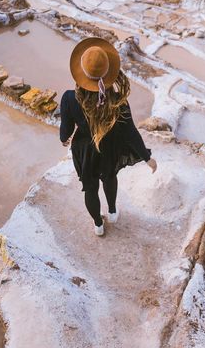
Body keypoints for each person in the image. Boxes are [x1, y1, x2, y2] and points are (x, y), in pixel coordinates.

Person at [60, 37, 157, 237]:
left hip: (85, 150)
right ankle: (112, 212)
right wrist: (147, 157)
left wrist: (65, 139)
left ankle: (98, 225)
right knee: (109, 177)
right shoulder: (118, 102)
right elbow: (131, 132)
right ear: (109, 71)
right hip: (109, 147)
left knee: (90, 188)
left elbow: (65, 133)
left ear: (80, 73)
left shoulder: (69, 98)